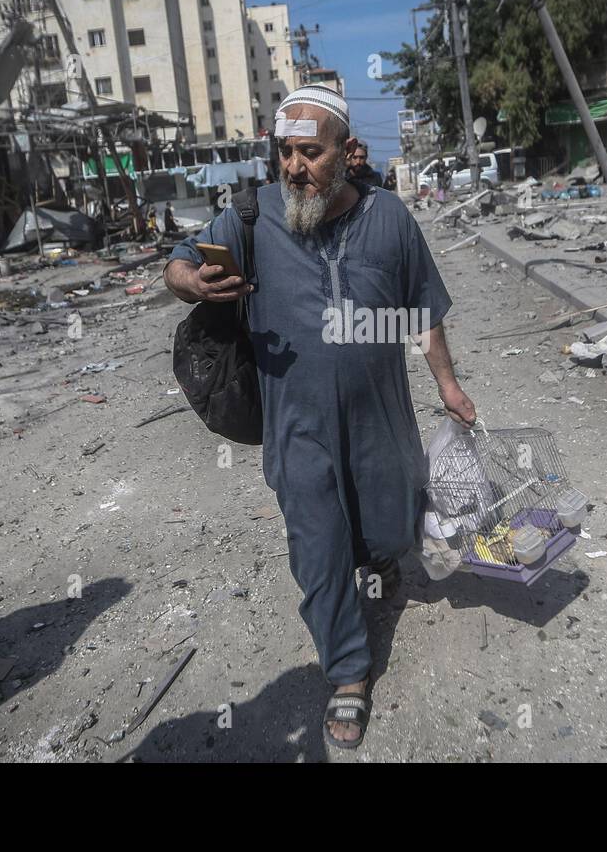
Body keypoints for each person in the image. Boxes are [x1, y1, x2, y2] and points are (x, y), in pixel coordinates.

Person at [164, 84, 475, 750]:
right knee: (317, 544)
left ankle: (378, 555)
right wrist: (192, 282)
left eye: (312, 152)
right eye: (286, 152)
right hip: (295, 421)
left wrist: (447, 385)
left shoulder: (389, 219)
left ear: (344, 151)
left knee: (390, 519)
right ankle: (349, 673)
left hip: (380, 417)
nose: (296, 167)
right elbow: (180, 264)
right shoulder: (251, 217)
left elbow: (424, 312)